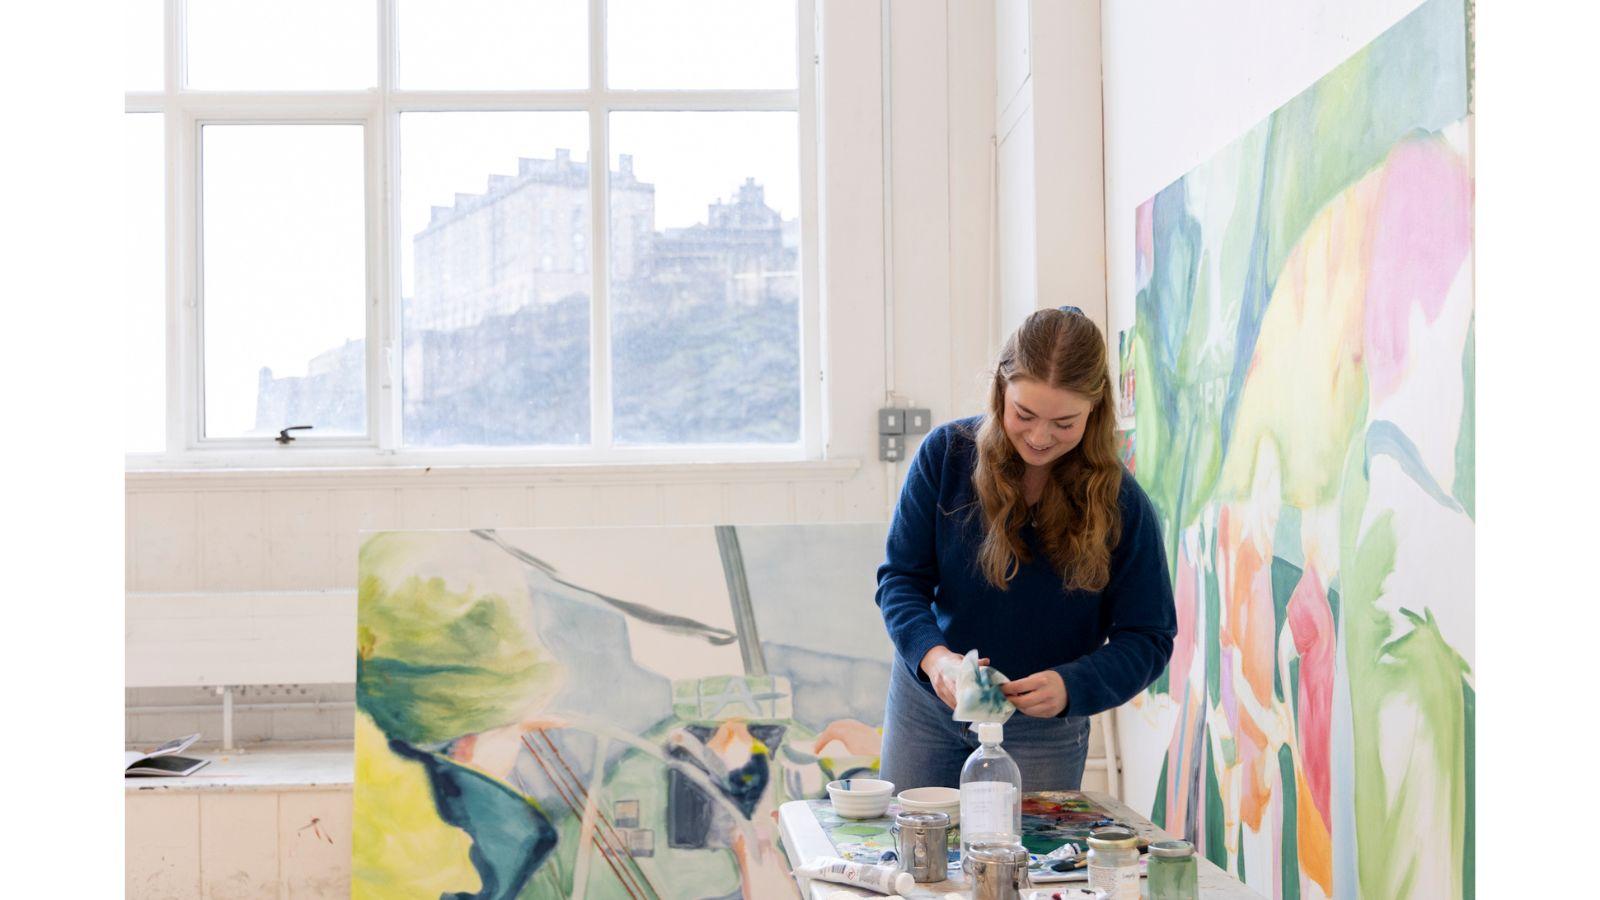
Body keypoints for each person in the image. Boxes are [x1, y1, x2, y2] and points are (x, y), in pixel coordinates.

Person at [875, 306, 1177, 792]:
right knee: (915, 855)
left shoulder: (1122, 503)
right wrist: (936, 659)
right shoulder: (945, 456)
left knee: (1026, 864)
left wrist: (1071, 687)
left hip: (1042, 727)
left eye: (1064, 422)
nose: (1040, 437)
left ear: (1096, 409)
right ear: (1000, 391)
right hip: (930, 703)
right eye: (1025, 414)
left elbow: (1149, 635)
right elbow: (900, 580)